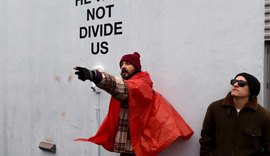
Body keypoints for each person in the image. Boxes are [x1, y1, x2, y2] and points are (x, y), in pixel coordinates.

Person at [74, 52, 193, 156]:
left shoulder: (140, 85)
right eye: (121, 64)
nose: (123, 67)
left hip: (138, 148)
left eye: (127, 64)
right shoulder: (132, 84)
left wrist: (96, 76)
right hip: (128, 148)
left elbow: (121, 87)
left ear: (136, 67)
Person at [200, 72, 270, 156]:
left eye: (241, 83)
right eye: (234, 81)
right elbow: (206, 140)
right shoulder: (215, 109)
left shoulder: (263, 116)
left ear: (251, 90)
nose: (235, 84)